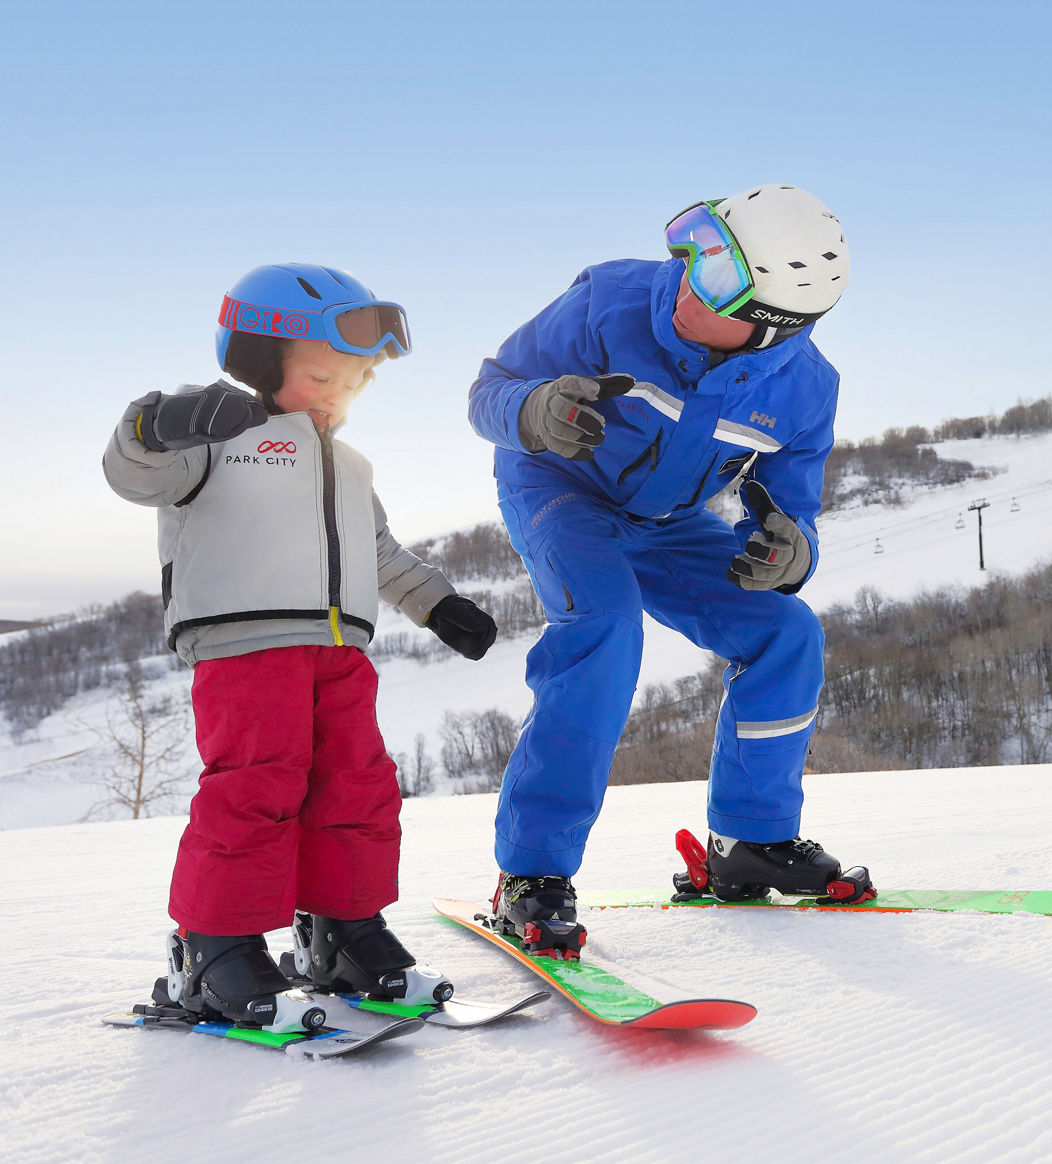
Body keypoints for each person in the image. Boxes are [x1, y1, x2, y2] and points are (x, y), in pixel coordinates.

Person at [468, 184, 872, 958]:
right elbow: (488, 391)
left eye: (719, 277)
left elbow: (789, 506)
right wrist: (534, 409)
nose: (689, 276)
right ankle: (531, 874)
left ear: (769, 327)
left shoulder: (804, 389)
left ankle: (749, 844)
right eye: (698, 248)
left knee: (788, 631)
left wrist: (792, 552)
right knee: (604, 630)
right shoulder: (610, 299)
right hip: (559, 488)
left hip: (670, 525)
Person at [103, 263, 497, 1027]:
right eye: (321, 372)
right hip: (245, 644)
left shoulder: (350, 464)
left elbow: (378, 550)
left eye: (351, 380)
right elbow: (133, 471)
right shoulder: (214, 434)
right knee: (256, 785)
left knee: (360, 785)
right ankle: (216, 946)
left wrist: (439, 603)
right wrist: (157, 421)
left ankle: (342, 933)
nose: (337, 391)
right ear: (259, 357)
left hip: (340, 648)